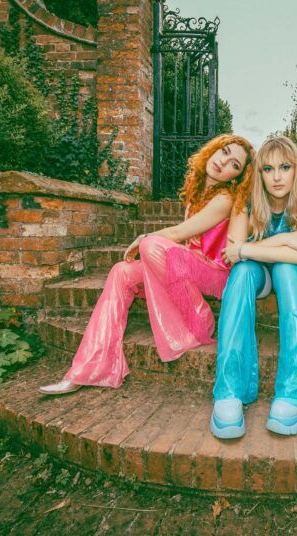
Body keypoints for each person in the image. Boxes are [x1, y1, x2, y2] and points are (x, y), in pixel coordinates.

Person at [39, 134, 254, 395]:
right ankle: (89, 368)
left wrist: (143, 238)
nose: (223, 162)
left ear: (236, 177)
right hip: (190, 266)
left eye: (234, 164)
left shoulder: (225, 198)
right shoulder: (198, 191)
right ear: (214, 149)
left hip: (215, 271)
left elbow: (177, 235)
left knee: (152, 246)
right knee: (121, 272)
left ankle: (199, 318)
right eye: (224, 152)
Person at [210, 136, 297, 439]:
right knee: (242, 273)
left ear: (296, 170)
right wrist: (286, 239)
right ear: (259, 173)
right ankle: (229, 390)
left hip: (292, 275)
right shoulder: (245, 204)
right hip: (259, 272)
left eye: (285, 167)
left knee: (287, 269)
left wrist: (247, 248)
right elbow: (232, 254)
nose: (277, 177)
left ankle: (294, 392)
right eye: (268, 169)